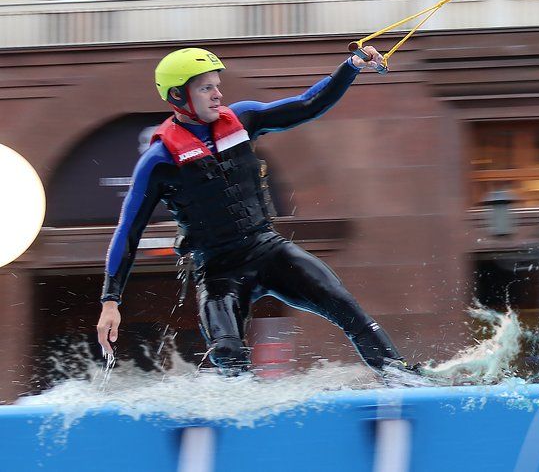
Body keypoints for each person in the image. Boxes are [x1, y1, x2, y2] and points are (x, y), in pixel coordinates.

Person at [96, 47, 419, 378]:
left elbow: (308, 104)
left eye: (217, 85)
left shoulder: (243, 118)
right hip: (219, 273)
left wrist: (351, 66)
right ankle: (241, 402)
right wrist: (110, 302)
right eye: (206, 88)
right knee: (228, 353)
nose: (217, 94)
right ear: (177, 96)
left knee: (347, 308)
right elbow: (128, 231)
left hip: (269, 251)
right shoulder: (158, 161)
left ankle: (402, 378)